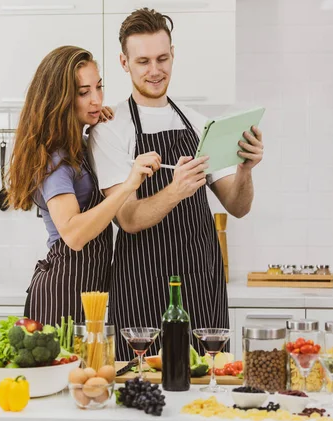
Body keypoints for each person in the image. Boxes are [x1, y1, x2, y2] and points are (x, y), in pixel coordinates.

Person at [88, 9, 264, 360]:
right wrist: (176, 190)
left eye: (162, 58)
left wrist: (245, 169)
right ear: (124, 63)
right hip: (141, 282)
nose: (155, 70)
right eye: (143, 61)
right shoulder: (109, 128)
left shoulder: (200, 124)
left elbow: (238, 206)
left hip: (201, 280)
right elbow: (128, 218)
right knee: (141, 390)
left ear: (173, 55)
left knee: (206, 387)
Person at [6, 45, 160, 326]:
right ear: (60, 99)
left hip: (89, 290)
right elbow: (74, 234)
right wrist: (128, 185)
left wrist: (100, 129)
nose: (96, 100)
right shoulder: (56, 160)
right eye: (83, 92)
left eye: (98, 88)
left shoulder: (79, 146)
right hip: (61, 292)